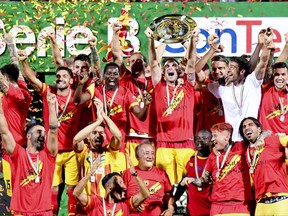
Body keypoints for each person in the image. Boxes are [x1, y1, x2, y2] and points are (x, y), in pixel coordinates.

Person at [17, 50, 87, 215]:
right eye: (58, 76)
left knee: (71, 188)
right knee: (53, 188)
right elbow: (32, 79)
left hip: (71, 150)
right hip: (51, 152)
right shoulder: (49, 92)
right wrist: (23, 62)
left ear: (71, 80)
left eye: (64, 76)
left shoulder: (76, 97)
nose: (60, 78)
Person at [146, 27, 205, 184]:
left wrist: (192, 40)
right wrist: (151, 40)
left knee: (188, 186)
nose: (170, 68)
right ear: (164, 72)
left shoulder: (188, 87)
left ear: (179, 71)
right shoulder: (158, 87)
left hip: (186, 142)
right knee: (164, 186)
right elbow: (153, 64)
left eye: (174, 66)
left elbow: (192, 63)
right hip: (163, 144)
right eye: (167, 66)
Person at [208, 29, 274, 141]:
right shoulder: (221, 88)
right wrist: (212, 50)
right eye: (228, 67)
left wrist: (266, 45)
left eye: (232, 68)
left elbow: (262, 64)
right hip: (231, 142)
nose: (228, 70)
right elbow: (197, 75)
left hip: (252, 140)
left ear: (242, 72)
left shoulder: (252, 83)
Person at [0, 91, 58, 215]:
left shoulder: (48, 156)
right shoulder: (18, 154)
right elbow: (5, 132)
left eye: (43, 132)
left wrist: (52, 106)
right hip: (21, 211)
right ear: (29, 136)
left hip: (44, 211)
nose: (43, 134)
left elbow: (53, 131)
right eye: (39, 131)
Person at [74, 62, 152, 150]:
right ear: (103, 75)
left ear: (119, 77)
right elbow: (78, 101)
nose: (112, 76)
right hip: (98, 143)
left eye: (115, 74)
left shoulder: (126, 92)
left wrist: (146, 106)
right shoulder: (96, 89)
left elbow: (140, 116)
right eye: (108, 73)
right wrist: (81, 85)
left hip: (117, 145)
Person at [110, 22, 156, 164]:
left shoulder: (154, 82)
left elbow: (156, 61)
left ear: (146, 64)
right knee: (131, 175)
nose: (135, 62)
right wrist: (116, 33)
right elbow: (117, 56)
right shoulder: (126, 80)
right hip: (131, 136)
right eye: (132, 60)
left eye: (139, 60)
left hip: (151, 136)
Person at [184, 123, 253, 215]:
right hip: (217, 207)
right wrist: (192, 180)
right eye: (212, 136)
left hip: (240, 205)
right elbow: (204, 181)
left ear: (227, 137)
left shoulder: (241, 147)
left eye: (215, 136)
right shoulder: (212, 156)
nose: (212, 139)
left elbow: (261, 135)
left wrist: (260, 140)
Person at [73, 98, 126, 198]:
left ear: (105, 136)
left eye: (101, 133)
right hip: (88, 201)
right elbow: (76, 140)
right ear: (87, 136)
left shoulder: (110, 152)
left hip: (105, 200)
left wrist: (103, 115)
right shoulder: (83, 151)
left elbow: (118, 136)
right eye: (94, 133)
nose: (98, 135)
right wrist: (98, 122)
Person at [239, 117, 288, 216]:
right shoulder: (245, 152)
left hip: (280, 199)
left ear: (259, 129)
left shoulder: (273, 140)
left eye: (250, 125)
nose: (246, 128)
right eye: (244, 127)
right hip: (261, 202)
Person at [73, 156, 150, 216]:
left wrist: (135, 175)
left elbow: (145, 194)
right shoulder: (95, 202)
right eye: (120, 182)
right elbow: (76, 193)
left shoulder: (125, 205)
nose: (124, 187)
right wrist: (89, 174)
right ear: (108, 185)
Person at [122, 141, 174, 216]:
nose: (150, 156)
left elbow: (169, 195)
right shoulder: (127, 173)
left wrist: (170, 209)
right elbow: (120, 198)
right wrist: (132, 203)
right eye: (146, 153)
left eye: (152, 153)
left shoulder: (162, 174)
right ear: (137, 156)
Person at [175, 129, 212, 216]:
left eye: (204, 138)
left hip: (212, 210)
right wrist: (173, 201)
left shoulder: (215, 159)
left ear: (211, 141)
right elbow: (183, 182)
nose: (200, 140)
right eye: (198, 138)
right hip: (193, 211)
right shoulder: (188, 158)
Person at [259, 62, 288, 134]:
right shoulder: (266, 89)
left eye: (283, 74)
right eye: (277, 75)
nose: (280, 78)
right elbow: (266, 67)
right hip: (267, 140)